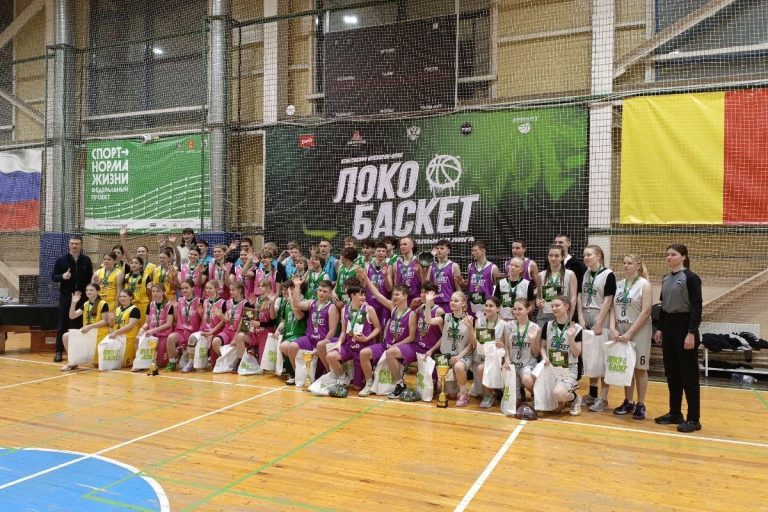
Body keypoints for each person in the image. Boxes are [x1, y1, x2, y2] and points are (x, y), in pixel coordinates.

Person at [654, 244, 703, 433]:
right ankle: (675, 413)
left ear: (683, 257)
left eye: (673, 254)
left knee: (689, 375)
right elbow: (663, 306)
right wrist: (660, 328)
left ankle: (694, 419)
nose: (669, 257)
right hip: (669, 327)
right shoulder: (666, 278)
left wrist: (691, 332)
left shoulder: (691, 278)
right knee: (672, 373)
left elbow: (697, 307)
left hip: (685, 326)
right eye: (667, 254)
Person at [610, 254, 653, 420]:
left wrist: (630, 333)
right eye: (624, 263)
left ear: (638, 265)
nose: (626, 266)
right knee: (626, 366)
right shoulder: (619, 284)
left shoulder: (644, 284)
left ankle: (641, 404)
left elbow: (646, 311)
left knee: (640, 369)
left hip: (639, 330)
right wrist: (613, 328)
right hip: (622, 329)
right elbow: (613, 308)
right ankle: (628, 401)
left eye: (629, 263)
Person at [386, 282, 444, 399]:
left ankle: (436, 383)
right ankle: (400, 384)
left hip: (429, 350)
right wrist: (412, 305)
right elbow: (408, 315)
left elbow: (444, 336)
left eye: (426, 293)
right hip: (416, 346)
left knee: (433, 390)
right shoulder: (420, 308)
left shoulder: (439, 311)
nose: (422, 295)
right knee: (390, 352)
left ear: (433, 295)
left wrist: (432, 350)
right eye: (421, 292)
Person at [358, 283, 416, 397]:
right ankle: (369, 384)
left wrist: (396, 345)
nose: (394, 297)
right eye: (393, 294)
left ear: (405, 296)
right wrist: (366, 278)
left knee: (390, 352)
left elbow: (411, 337)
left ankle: (400, 384)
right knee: (364, 353)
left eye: (397, 294)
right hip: (387, 344)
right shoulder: (393, 308)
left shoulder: (411, 314)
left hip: (403, 346)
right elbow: (377, 295)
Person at [577, 245, 616, 412]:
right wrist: (580, 317)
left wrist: (599, 322)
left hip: (601, 316)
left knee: (602, 359)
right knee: (591, 357)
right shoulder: (585, 273)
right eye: (584, 255)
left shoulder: (608, 274)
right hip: (586, 316)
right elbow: (580, 296)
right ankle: (592, 394)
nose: (585, 257)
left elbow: (608, 300)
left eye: (589, 255)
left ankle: (603, 397)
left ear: (599, 256)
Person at [326, 284, 381, 390]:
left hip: (363, 348)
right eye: (361, 295)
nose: (364, 297)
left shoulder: (369, 309)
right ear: (352, 295)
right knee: (330, 356)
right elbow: (343, 332)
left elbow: (378, 328)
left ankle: (366, 378)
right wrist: (339, 343)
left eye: (364, 295)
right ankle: (343, 378)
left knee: (357, 387)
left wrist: (367, 338)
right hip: (349, 346)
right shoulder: (344, 310)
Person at [534, 295, 583, 415]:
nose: (554, 308)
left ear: (566, 307)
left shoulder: (576, 328)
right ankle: (562, 396)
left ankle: (575, 398)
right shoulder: (548, 325)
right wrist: (544, 357)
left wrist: (570, 338)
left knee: (558, 394)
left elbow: (577, 353)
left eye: (557, 305)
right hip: (552, 367)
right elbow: (542, 347)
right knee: (554, 409)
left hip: (568, 368)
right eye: (552, 306)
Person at [281, 277, 338, 376]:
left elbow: (332, 331)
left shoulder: (332, 307)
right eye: (320, 290)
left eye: (325, 291)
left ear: (330, 294)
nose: (321, 293)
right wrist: (297, 286)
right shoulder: (312, 303)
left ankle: (330, 374)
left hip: (322, 341)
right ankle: (298, 374)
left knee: (318, 371)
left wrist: (322, 346)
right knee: (292, 347)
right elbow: (296, 304)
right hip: (310, 340)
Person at [52, 235, 93, 362]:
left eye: (77, 244)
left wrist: (90, 292)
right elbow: (53, 277)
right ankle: (59, 351)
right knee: (62, 324)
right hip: (66, 297)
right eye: (72, 243)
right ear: (69, 245)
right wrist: (62, 277)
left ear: (81, 245)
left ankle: (79, 351)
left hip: (82, 298)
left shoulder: (87, 260)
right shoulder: (61, 260)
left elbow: (90, 279)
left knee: (80, 324)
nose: (74, 246)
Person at [430, 291, 475, 406]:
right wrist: (428, 302)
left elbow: (472, 344)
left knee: (458, 366)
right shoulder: (446, 317)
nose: (452, 303)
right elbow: (428, 321)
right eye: (451, 300)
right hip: (446, 357)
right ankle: (456, 386)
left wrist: (470, 328)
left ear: (463, 303)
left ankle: (464, 393)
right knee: (451, 396)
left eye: (456, 301)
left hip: (462, 356)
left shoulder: (469, 319)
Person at [60, 284, 110, 371]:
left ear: (97, 291)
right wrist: (73, 303)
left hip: (99, 332)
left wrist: (89, 327)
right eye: (87, 290)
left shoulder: (103, 304)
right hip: (87, 331)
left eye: (91, 290)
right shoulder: (86, 304)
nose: (88, 292)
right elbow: (72, 316)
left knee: (96, 364)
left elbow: (104, 321)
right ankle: (72, 362)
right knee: (66, 336)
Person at [472, 297, 507, 409]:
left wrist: (502, 345)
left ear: (498, 308)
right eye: (486, 305)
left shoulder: (504, 324)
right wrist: (469, 328)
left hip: (497, 359)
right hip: (482, 357)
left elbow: (507, 346)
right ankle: (488, 395)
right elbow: (473, 343)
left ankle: (498, 390)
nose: (487, 308)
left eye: (491, 306)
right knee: (481, 368)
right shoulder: (479, 321)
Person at [210, 282, 253, 371]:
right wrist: (221, 315)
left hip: (240, 331)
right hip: (227, 331)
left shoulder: (247, 304)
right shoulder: (227, 303)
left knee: (238, 339)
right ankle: (224, 361)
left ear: (240, 290)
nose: (231, 292)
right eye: (230, 290)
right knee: (215, 342)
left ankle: (240, 362)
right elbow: (226, 320)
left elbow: (246, 324)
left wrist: (235, 337)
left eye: (233, 290)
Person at [506, 298, 541, 403]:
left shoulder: (535, 328)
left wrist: (532, 340)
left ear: (528, 309)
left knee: (527, 379)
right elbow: (506, 347)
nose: (516, 312)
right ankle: (519, 393)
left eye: (520, 309)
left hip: (527, 365)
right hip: (512, 365)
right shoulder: (509, 325)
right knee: (514, 403)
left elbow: (536, 353)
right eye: (515, 309)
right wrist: (507, 360)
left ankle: (535, 394)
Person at [536, 245, 577, 326]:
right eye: (550, 255)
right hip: (544, 317)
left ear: (562, 257)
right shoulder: (541, 275)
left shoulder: (570, 274)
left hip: (562, 317)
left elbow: (573, 298)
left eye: (556, 256)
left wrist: (569, 317)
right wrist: (538, 303)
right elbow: (538, 297)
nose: (553, 258)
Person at [275, 280, 307, 384]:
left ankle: (297, 374)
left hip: (300, 333)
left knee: (285, 346)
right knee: (283, 346)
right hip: (288, 334)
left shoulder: (303, 302)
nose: (288, 291)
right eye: (287, 289)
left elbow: (299, 316)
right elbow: (284, 320)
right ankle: (294, 373)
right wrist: (278, 329)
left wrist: (291, 299)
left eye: (291, 289)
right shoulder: (287, 303)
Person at [137, 283, 175, 370]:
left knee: (160, 363)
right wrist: (142, 328)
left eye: (157, 291)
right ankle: (139, 363)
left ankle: (177, 353)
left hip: (163, 335)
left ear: (163, 292)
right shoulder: (150, 304)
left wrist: (153, 330)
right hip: (151, 335)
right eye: (153, 291)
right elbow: (147, 322)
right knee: (137, 338)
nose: (154, 293)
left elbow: (168, 324)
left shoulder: (169, 305)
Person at [168, 279, 202, 373]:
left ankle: (189, 361)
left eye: (186, 288)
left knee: (185, 361)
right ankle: (172, 362)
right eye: (182, 288)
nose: (184, 290)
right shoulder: (179, 300)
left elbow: (204, 319)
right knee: (171, 338)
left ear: (193, 288)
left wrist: (201, 313)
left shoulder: (200, 301)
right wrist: (175, 308)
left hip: (194, 332)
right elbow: (176, 319)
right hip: (181, 331)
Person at [427, 239, 463, 315]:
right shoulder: (431, 267)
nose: (439, 250)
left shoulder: (454, 266)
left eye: (442, 248)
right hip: (434, 303)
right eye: (437, 248)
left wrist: (458, 306)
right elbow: (427, 285)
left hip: (448, 302)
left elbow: (458, 289)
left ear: (448, 251)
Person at [495, 256, 536, 321]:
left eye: (516, 266)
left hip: (521, 320)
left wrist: (522, 311)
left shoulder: (527, 284)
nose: (513, 267)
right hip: (504, 320)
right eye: (511, 265)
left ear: (521, 269)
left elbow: (532, 305)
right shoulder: (501, 283)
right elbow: (495, 303)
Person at [467, 241, 501, 317]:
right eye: (472, 251)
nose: (472, 253)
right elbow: (469, 285)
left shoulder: (493, 268)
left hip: (486, 305)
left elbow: (499, 288)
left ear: (483, 251)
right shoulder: (470, 266)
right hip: (472, 304)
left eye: (475, 250)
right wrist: (462, 283)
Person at [108, 289, 141, 368]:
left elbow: (130, 326)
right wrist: (110, 320)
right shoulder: (118, 309)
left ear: (130, 297)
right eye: (120, 296)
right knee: (112, 361)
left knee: (124, 363)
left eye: (124, 296)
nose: (122, 298)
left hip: (129, 338)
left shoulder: (135, 309)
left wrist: (115, 332)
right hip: (118, 338)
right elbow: (113, 325)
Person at [364, 243, 392, 328]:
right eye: (379, 251)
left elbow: (389, 289)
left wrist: (385, 276)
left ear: (386, 253)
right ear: (374, 253)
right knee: (370, 328)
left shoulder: (389, 267)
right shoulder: (368, 267)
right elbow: (364, 287)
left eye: (383, 251)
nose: (381, 253)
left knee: (383, 328)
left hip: (383, 304)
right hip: (370, 303)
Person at [391, 236, 422, 305]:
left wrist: (418, 273)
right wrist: (393, 301)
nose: (402, 246)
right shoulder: (396, 264)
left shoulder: (419, 261)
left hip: (416, 299)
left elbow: (424, 282)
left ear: (412, 245)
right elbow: (395, 285)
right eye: (401, 245)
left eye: (405, 244)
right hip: (401, 300)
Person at [124, 256, 151, 326]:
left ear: (141, 265)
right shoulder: (127, 276)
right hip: (130, 304)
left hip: (142, 304)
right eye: (132, 263)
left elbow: (149, 293)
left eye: (136, 263)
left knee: (141, 326)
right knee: (130, 325)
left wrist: (149, 288)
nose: (133, 264)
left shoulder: (146, 276)